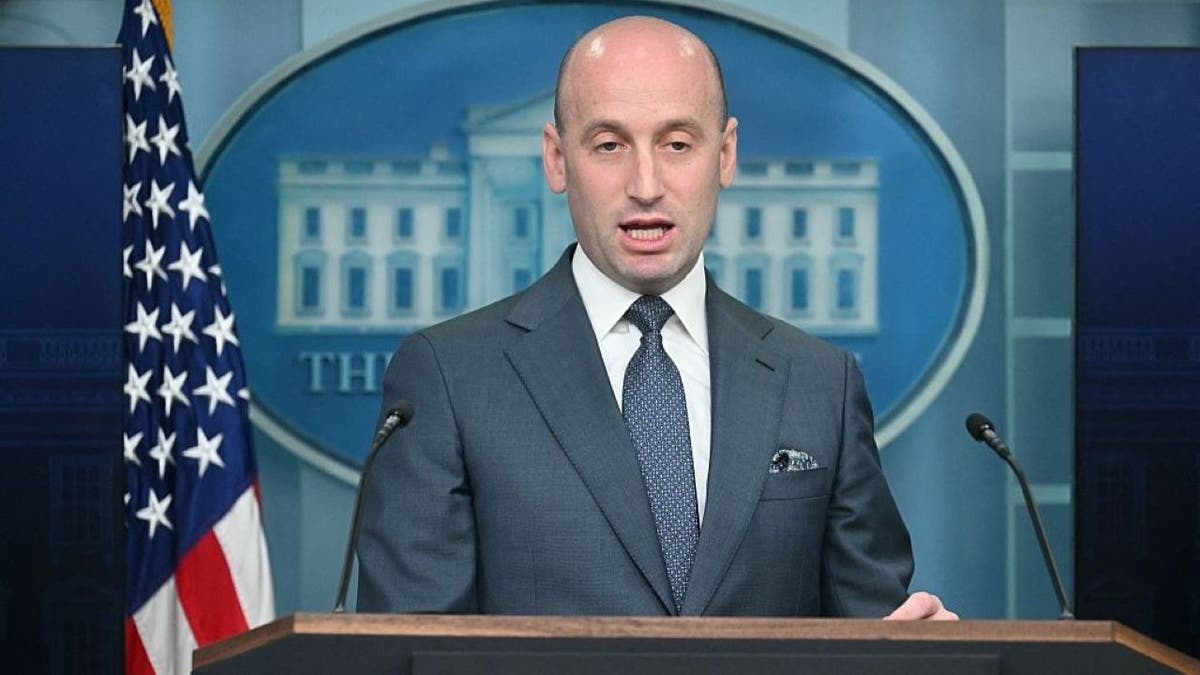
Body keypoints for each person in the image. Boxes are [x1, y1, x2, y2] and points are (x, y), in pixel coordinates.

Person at [356, 15, 955, 620]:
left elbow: (873, 632)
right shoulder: (451, 377)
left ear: (724, 155)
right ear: (557, 160)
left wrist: (916, 653)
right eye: (609, 145)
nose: (646, 185)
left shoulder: (820, 383)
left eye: (677, 144)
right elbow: (412, 650)